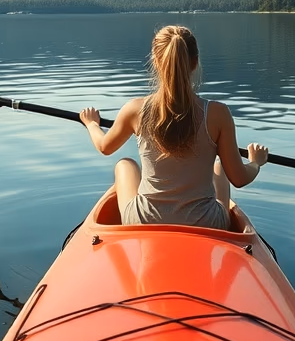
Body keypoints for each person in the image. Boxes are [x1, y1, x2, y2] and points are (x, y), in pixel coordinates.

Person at [79, 25, 268, 229]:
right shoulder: (218, 114)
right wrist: (255, 163)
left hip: (145, 221)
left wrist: (91, 124)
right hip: (205, 223)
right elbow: (239, 178)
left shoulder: (134, 110)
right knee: (219, 167)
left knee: (125, 164)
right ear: (195, 63)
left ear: (156, 62)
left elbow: (104, 147)